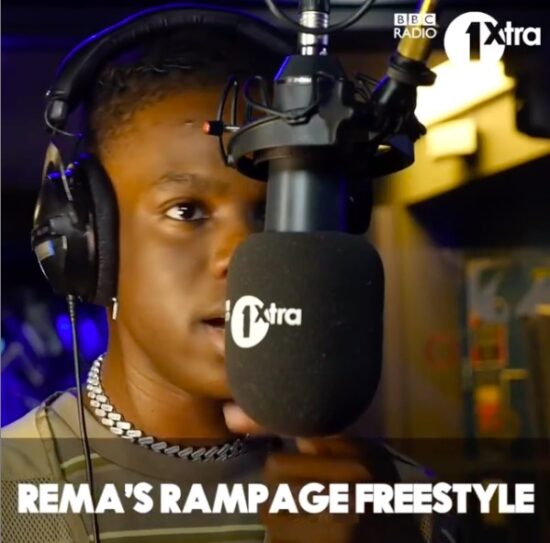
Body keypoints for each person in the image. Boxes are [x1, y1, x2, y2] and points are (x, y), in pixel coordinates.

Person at [2, 7, 457, 543]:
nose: (242, 256)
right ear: (90, 242)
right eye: (187, 211)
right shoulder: (12, 493)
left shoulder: (401, 507)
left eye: (271, 213)